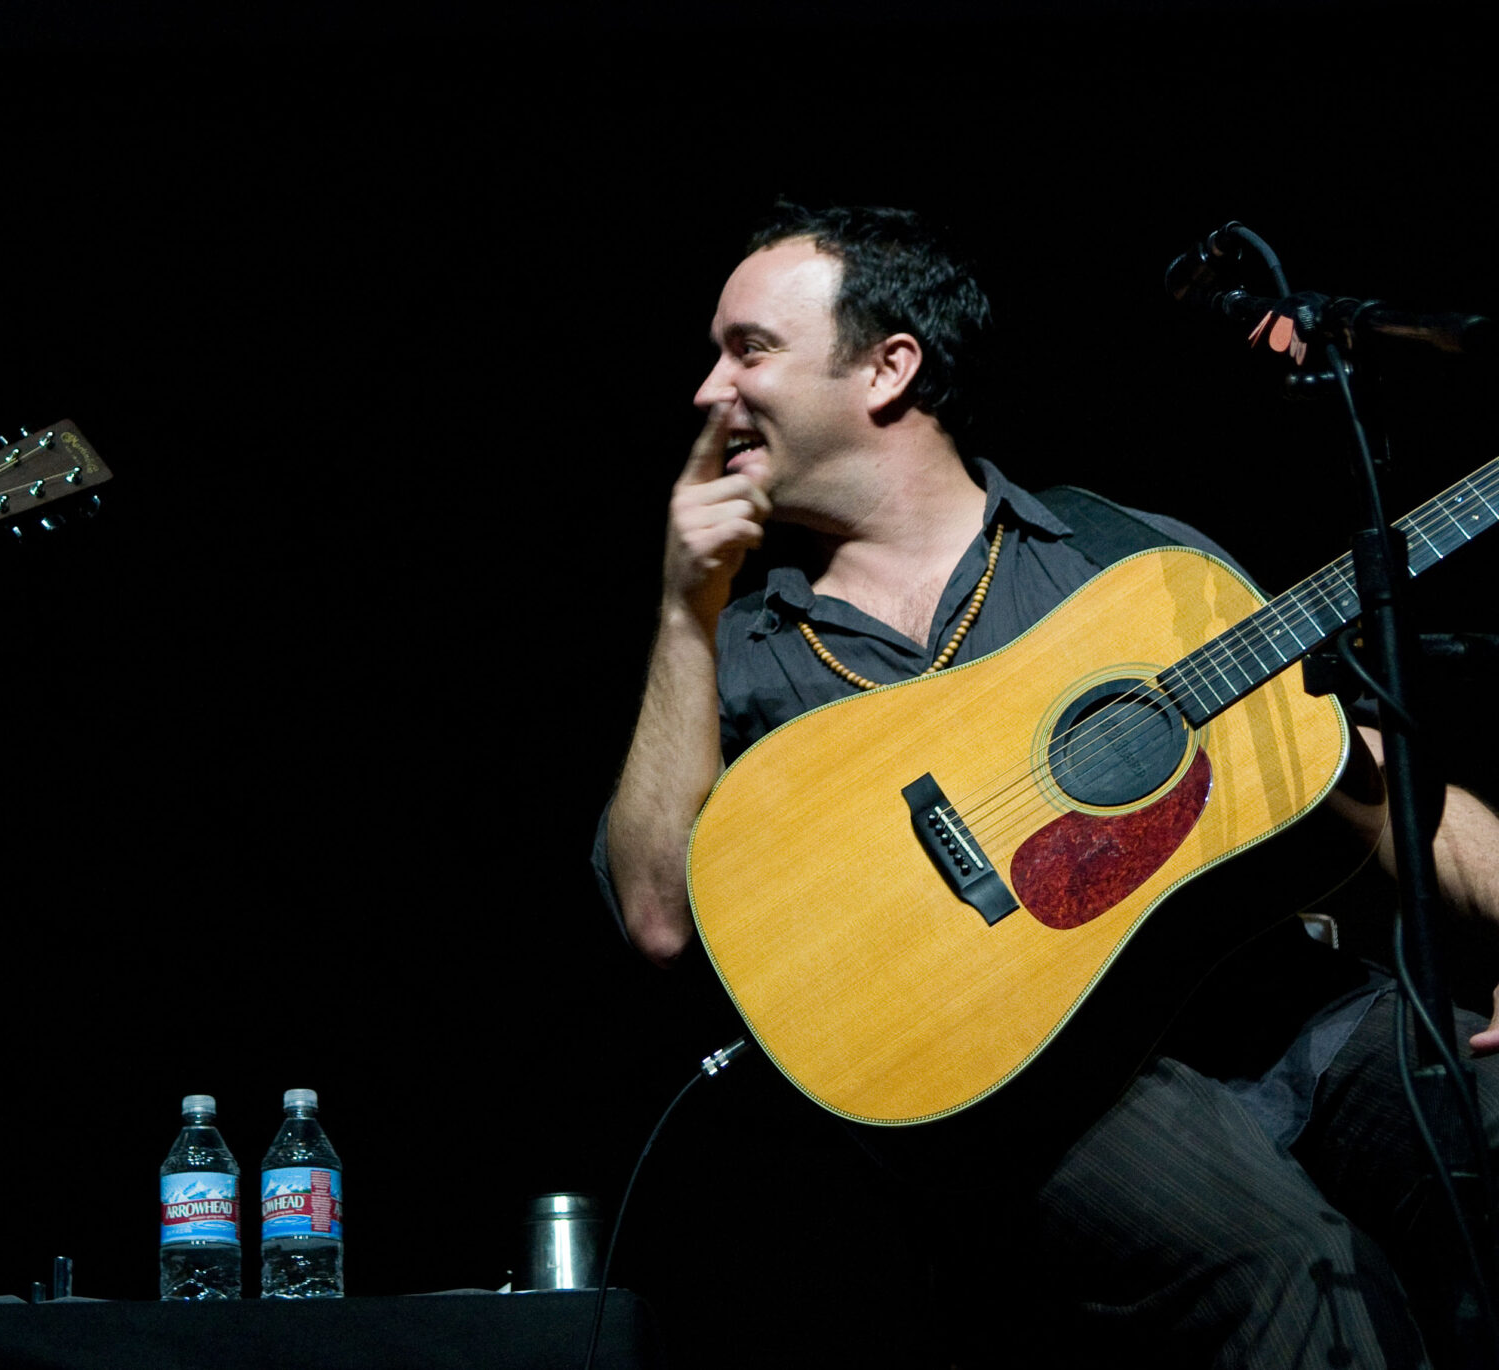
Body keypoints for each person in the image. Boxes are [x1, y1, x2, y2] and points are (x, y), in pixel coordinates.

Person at [597, 204, 1499, 1367]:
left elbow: (1364, 778)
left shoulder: (1121, 558)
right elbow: (660, 916)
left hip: (1292, 1013)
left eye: (748, 348)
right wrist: (684, 611)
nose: (708, 387)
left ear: (888, 367)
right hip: (1048, 1098)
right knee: (1291, 1277)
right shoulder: (746, 652)